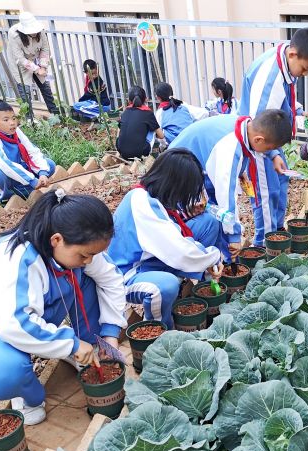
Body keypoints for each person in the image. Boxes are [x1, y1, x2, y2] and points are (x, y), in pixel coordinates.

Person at [0, 189, 126, 425]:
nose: (89, 260)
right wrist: (70, 343)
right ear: (56, 240)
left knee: (88, 277)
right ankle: (27, 396)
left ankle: (87, 347)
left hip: (21, 319)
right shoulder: (16, 259)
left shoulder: (74, 244)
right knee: (4, 373)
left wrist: (110, 334)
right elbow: (13, 324)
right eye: (85, 255)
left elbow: (111, 279)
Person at [107, 148, 225, 328]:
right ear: (175, 184)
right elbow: (180, 251)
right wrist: (213, 257)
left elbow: (175, 234)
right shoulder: (142, 203)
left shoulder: (150, 196)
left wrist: (206, 258)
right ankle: (159, 329)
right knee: (167, 285)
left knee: (208, 223)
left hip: (151, 259)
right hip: (128, 274)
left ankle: (201, 286)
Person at [239, 28, 308, 246]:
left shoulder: (286, 61)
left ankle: (277, 230)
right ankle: (265, 245)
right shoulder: (270, 79)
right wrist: (274, 154)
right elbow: (260, 129)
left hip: (269, 138)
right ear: (293, 54)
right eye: (305, 69)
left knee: (281, 179)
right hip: (257, 144)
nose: (305, 74)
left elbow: (284, 98)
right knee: (266, 193)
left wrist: (297, 110)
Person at [169, 109, 293, 257]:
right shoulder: (230, 147)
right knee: (206, 215)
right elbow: (226, 195)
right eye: (269, 149)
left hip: (196, 163)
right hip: (177, 173)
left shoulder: (246, 126)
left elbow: (244, 150)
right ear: (259, 140)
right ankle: (204, 256)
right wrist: (234, 235)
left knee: (216, 212)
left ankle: (223, 256)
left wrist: (271, 156)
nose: (266, 152)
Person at [0, 99, 56, 203]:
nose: (12, 123)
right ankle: (6, 197)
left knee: (49, 164)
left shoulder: (15, 131)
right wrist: (32, 180)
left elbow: (32, 151)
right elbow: (3, 163)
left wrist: (43, 173)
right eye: (6, 120)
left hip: (14, 169)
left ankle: (21, 190)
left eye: (13, 118)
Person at [7, 12, 59, 116]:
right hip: (20, 63)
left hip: (35, 58)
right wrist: (36, 69)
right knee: (25, 91)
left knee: (45, 87)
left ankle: (55, 114)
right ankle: (30, 119)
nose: (35, 32)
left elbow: (45, 48)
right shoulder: (14, 34)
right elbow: (20, 58)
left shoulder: (41, 31)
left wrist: (43, 66)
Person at [116, 86, 165, 160]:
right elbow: (161, 136)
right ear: (145, 99)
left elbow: (120, 131)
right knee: (152, 130)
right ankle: (152, 156)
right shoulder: (148, 113)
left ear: (129, 100)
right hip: (139, 153)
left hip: (122, 152)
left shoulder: (125, 112)